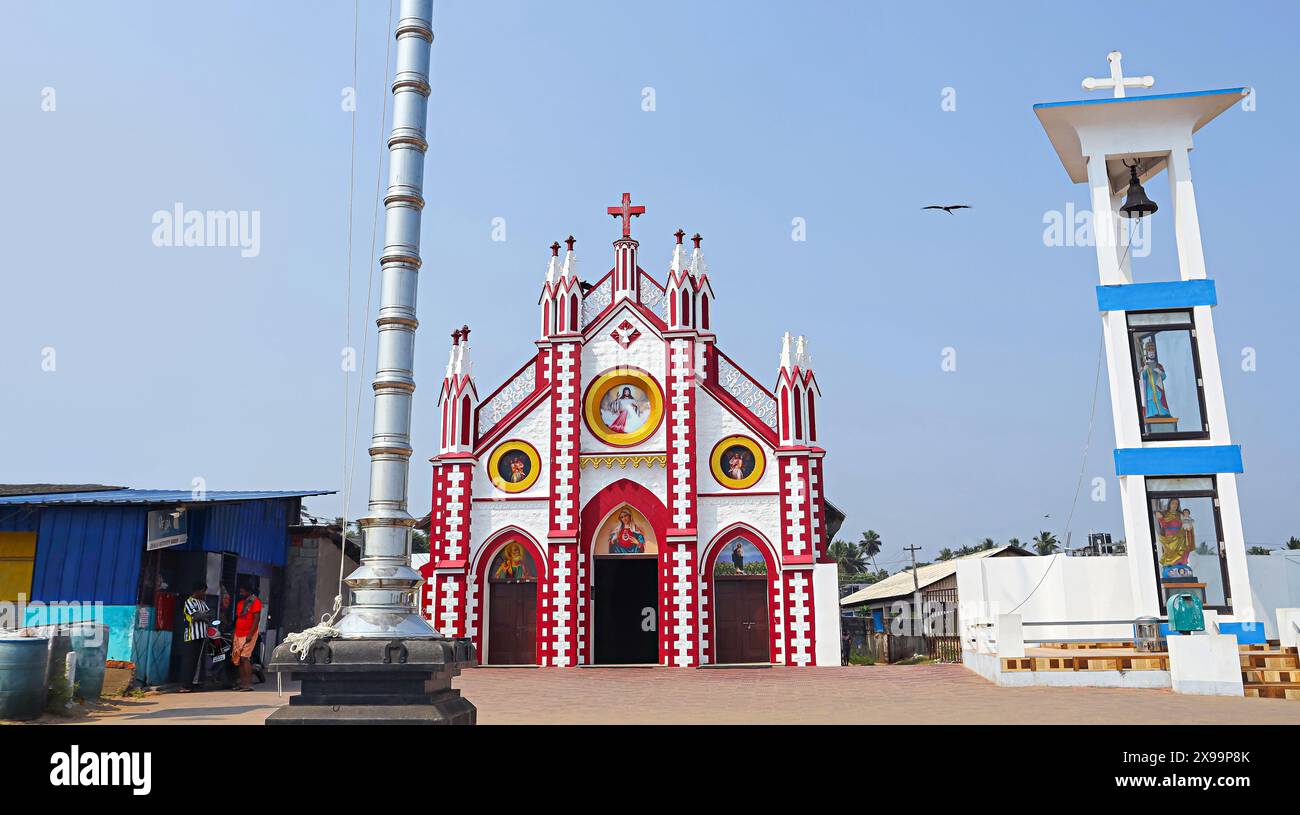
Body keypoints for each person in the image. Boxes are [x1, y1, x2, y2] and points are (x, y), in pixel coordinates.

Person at [179, 582, 212, 693]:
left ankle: (196, 683)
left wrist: (202, 616)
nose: (204, 593)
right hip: (191, 635)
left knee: (199, 661)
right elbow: (196, 616)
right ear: (197, 591)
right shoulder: (188, 602)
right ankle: (185, 685)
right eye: (203, 591)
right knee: (189, 661)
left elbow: (209, 614)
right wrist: (203, 616)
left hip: (202, 635)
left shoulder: (202, 603)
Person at [231, 586, 263, 691]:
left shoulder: (255, 602)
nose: (240, 593)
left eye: (242, 591)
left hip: (249, 634)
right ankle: (242, 683)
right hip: (238, 633)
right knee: (239, 659)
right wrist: (234, 632)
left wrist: (250, 634)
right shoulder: (240, 603)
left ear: (248, 591)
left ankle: (248, 684)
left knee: (245, 658)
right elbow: (238, 618)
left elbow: (256, 619)